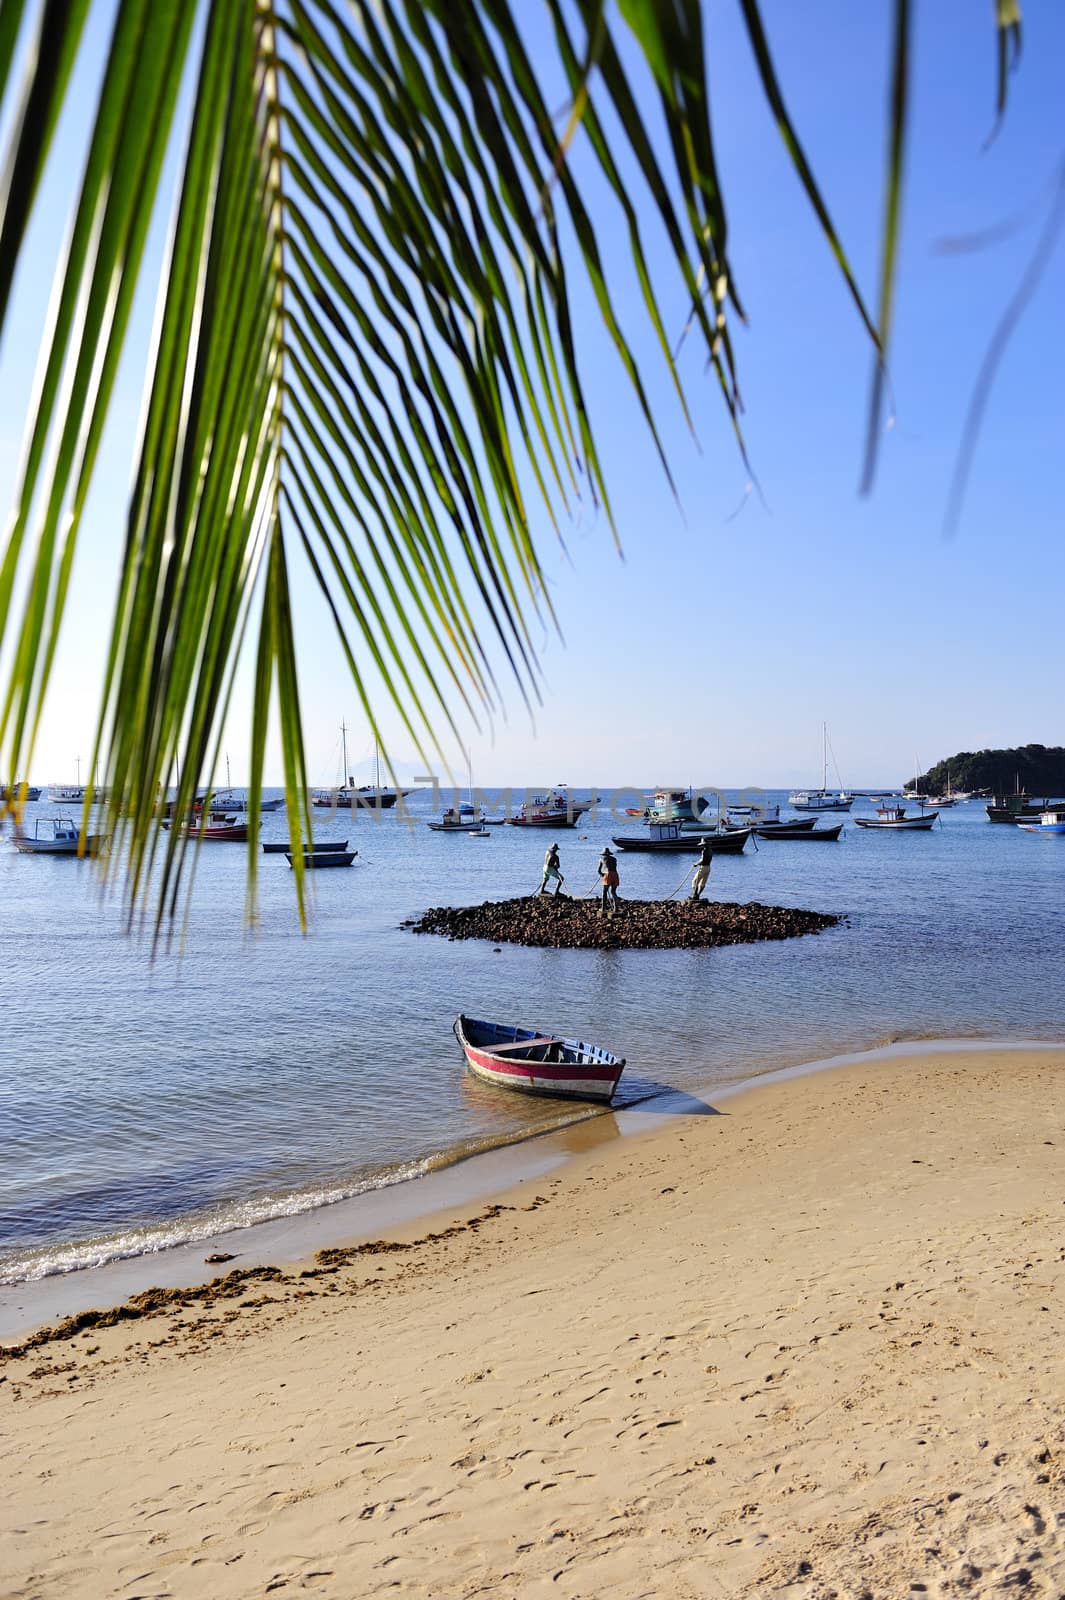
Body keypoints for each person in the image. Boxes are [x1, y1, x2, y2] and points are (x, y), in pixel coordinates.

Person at [597, 845, 620, 914]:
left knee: (604, 892)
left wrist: (602, 874)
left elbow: (599, 871)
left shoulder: (601, 859)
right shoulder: (614, 859)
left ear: (603, 854)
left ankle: (603, 908)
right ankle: (616, 908)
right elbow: (613, 868)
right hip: (615, 875)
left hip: (608, 875)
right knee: (613, 892)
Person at [690, 835, 713, 901]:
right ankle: (698, 895)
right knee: (703, 883)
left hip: (703, 868)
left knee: (694, 881)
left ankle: (695, 895)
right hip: (708, 867)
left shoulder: (704, 851)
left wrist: (696, 864)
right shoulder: (710, 850)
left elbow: (702, 860)